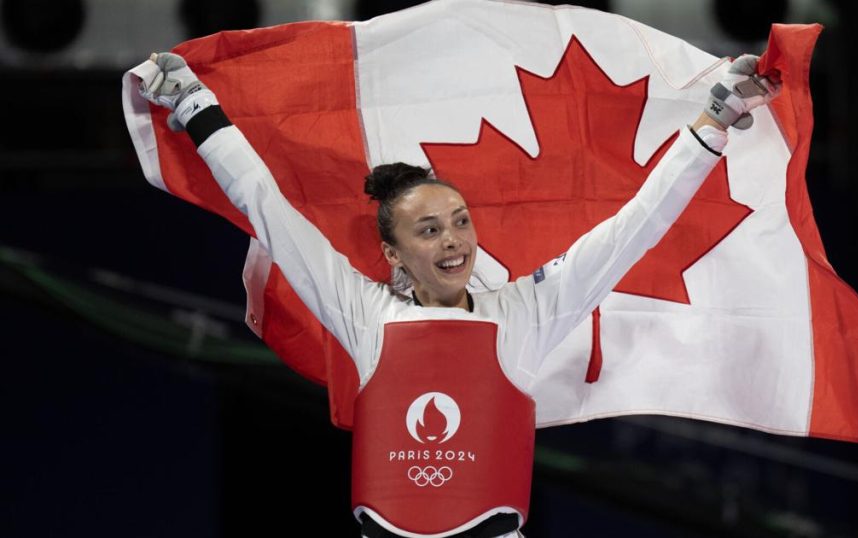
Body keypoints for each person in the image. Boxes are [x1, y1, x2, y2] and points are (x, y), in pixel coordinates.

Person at [137, 51, 778, 538]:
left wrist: (714, 119)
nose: (455, 241)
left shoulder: (524, 315)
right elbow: (264, 204)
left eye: (461, 221)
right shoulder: (364, 313)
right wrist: (194, 104)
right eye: (430, 229)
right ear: (392, 253)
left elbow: (635, 228)